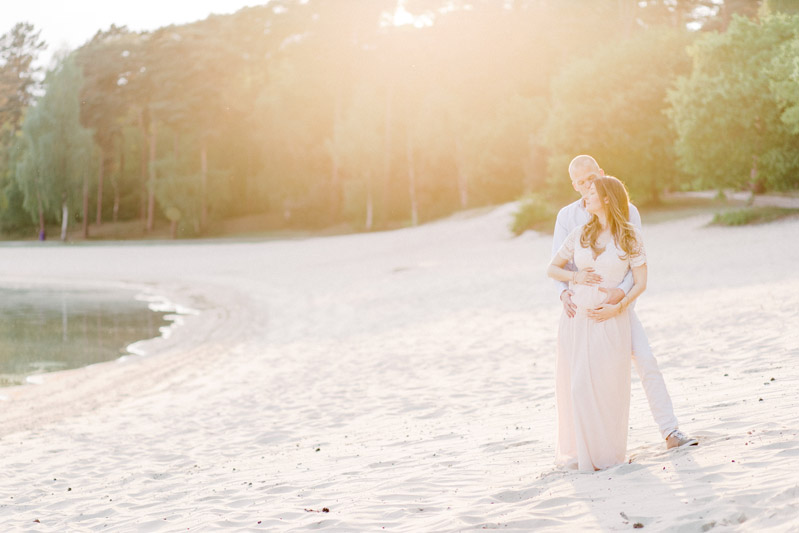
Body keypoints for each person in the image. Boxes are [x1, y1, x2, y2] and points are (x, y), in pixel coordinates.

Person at [551, 155, 696, 454]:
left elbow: (634, 264)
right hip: (582, 313)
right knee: (581, 379)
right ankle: (587, 447)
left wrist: (620, 295)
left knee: (645, 359)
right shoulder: (567, 217)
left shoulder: (627, 210)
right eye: (579, 183)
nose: (586, 187)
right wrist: (563, 292)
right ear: (573, 185)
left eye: (590, 178)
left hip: (621, 307)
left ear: (601, 173)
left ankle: (669, 431)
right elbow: (557, 262)